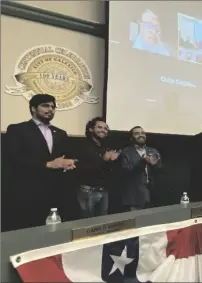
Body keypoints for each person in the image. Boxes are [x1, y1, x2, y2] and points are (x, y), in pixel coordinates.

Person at [4, 94, 77, 230]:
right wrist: (48, 164)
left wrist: (69, 163)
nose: (50, 109)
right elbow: (14, 159)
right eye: (45, 105)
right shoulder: (17, 130)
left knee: (52, 236)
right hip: (27, 194)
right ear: (33, 108)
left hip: (55, 194)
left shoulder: (60, 133)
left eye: (53, 107)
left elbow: (67, 156)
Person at [75, 117, 121, 218]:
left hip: (104, 190)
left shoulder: (105, 147)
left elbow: (108, 170)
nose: (103, 130)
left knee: (102, 223)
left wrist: (112, 162)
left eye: (105, 128)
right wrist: (103, 160)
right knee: (86, 223)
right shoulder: (82, 145)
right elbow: (81, 169)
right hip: (88, 191)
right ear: (91, 129)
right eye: (99, 127)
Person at [120, 126, 162, 211]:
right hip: (135, 196)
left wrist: (156, 163)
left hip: (151, 195)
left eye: (143, 133)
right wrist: (142, 162)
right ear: (131, 138)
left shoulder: (153, 150)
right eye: (137, 133)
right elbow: (125, 171)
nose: (141, 135)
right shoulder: (126, 152)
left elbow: (160, 169)